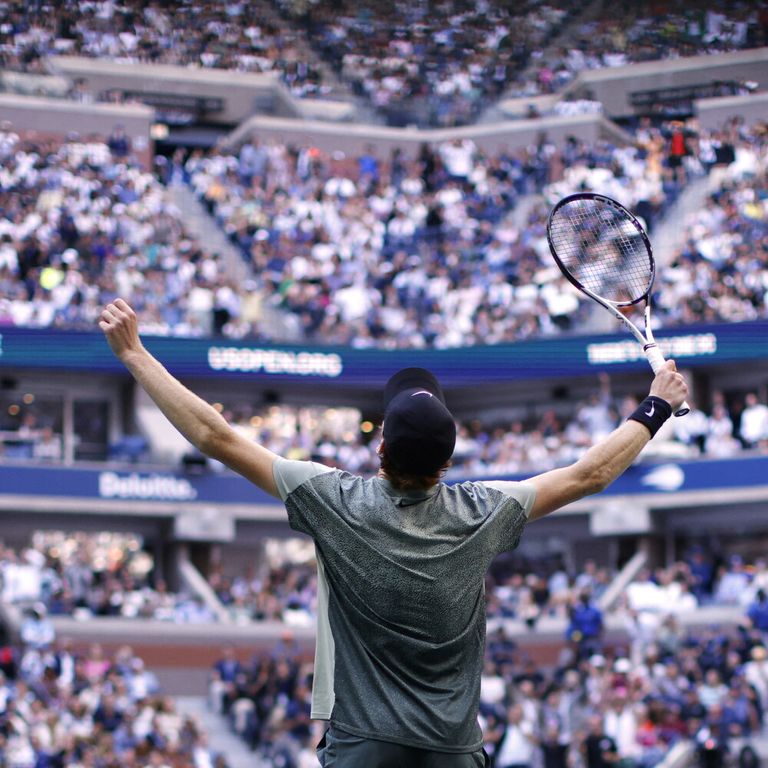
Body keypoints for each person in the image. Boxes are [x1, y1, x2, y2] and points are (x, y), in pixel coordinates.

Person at [98, 298, 688, 767]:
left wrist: (135, 355)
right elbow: (592, 473)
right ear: (451, 460)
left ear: (380, 447)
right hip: (452, 748)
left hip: (362, 746)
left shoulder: (333, 499)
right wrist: (655, 407)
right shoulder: (484, 509)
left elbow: (215, 437)